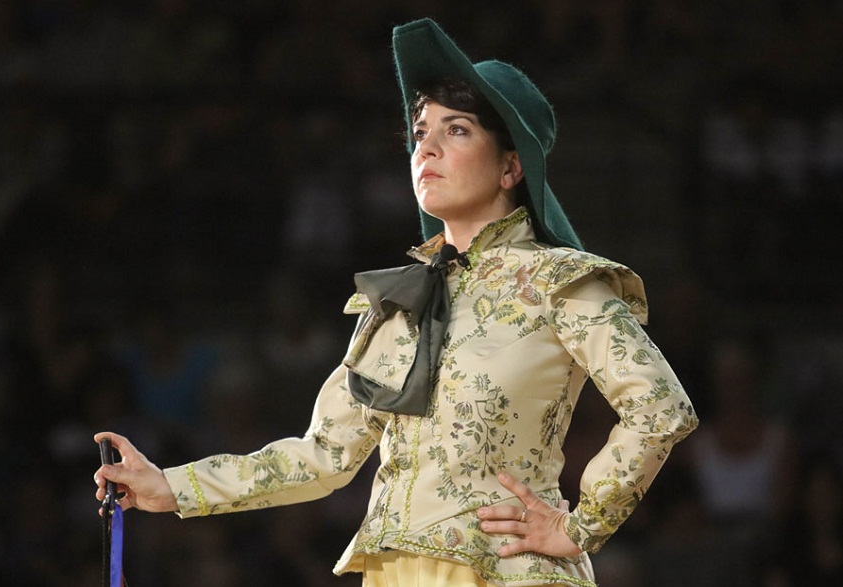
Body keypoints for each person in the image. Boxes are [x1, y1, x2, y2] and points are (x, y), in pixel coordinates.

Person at [94, 18, 698, 587]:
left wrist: (579, 527)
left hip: (506, 571)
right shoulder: (403, 296)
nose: (425, 149)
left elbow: (660, 407)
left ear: (512, 165)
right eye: (420, 133)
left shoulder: (558, 279)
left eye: (455, 130)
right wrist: (170, 486)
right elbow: (325, 455)